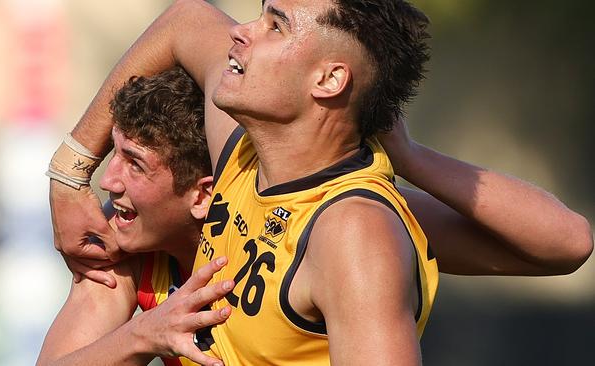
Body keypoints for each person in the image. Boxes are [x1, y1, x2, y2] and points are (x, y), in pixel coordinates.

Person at [45, 0, 592, 365]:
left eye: (276, 25)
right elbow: (184, 21)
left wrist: (411, 155)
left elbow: (569, 243)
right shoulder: (240, 152)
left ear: (329, 80)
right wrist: (70, 174)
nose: (242, 31)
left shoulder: (355, 234)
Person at [38, 68, 232, 366]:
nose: (108, 182)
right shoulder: (130, 240)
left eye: (135, 164)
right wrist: (144, 334)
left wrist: (66, 172)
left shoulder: (262, 250)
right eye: (114, 154)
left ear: (203, 196)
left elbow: (188, 21)